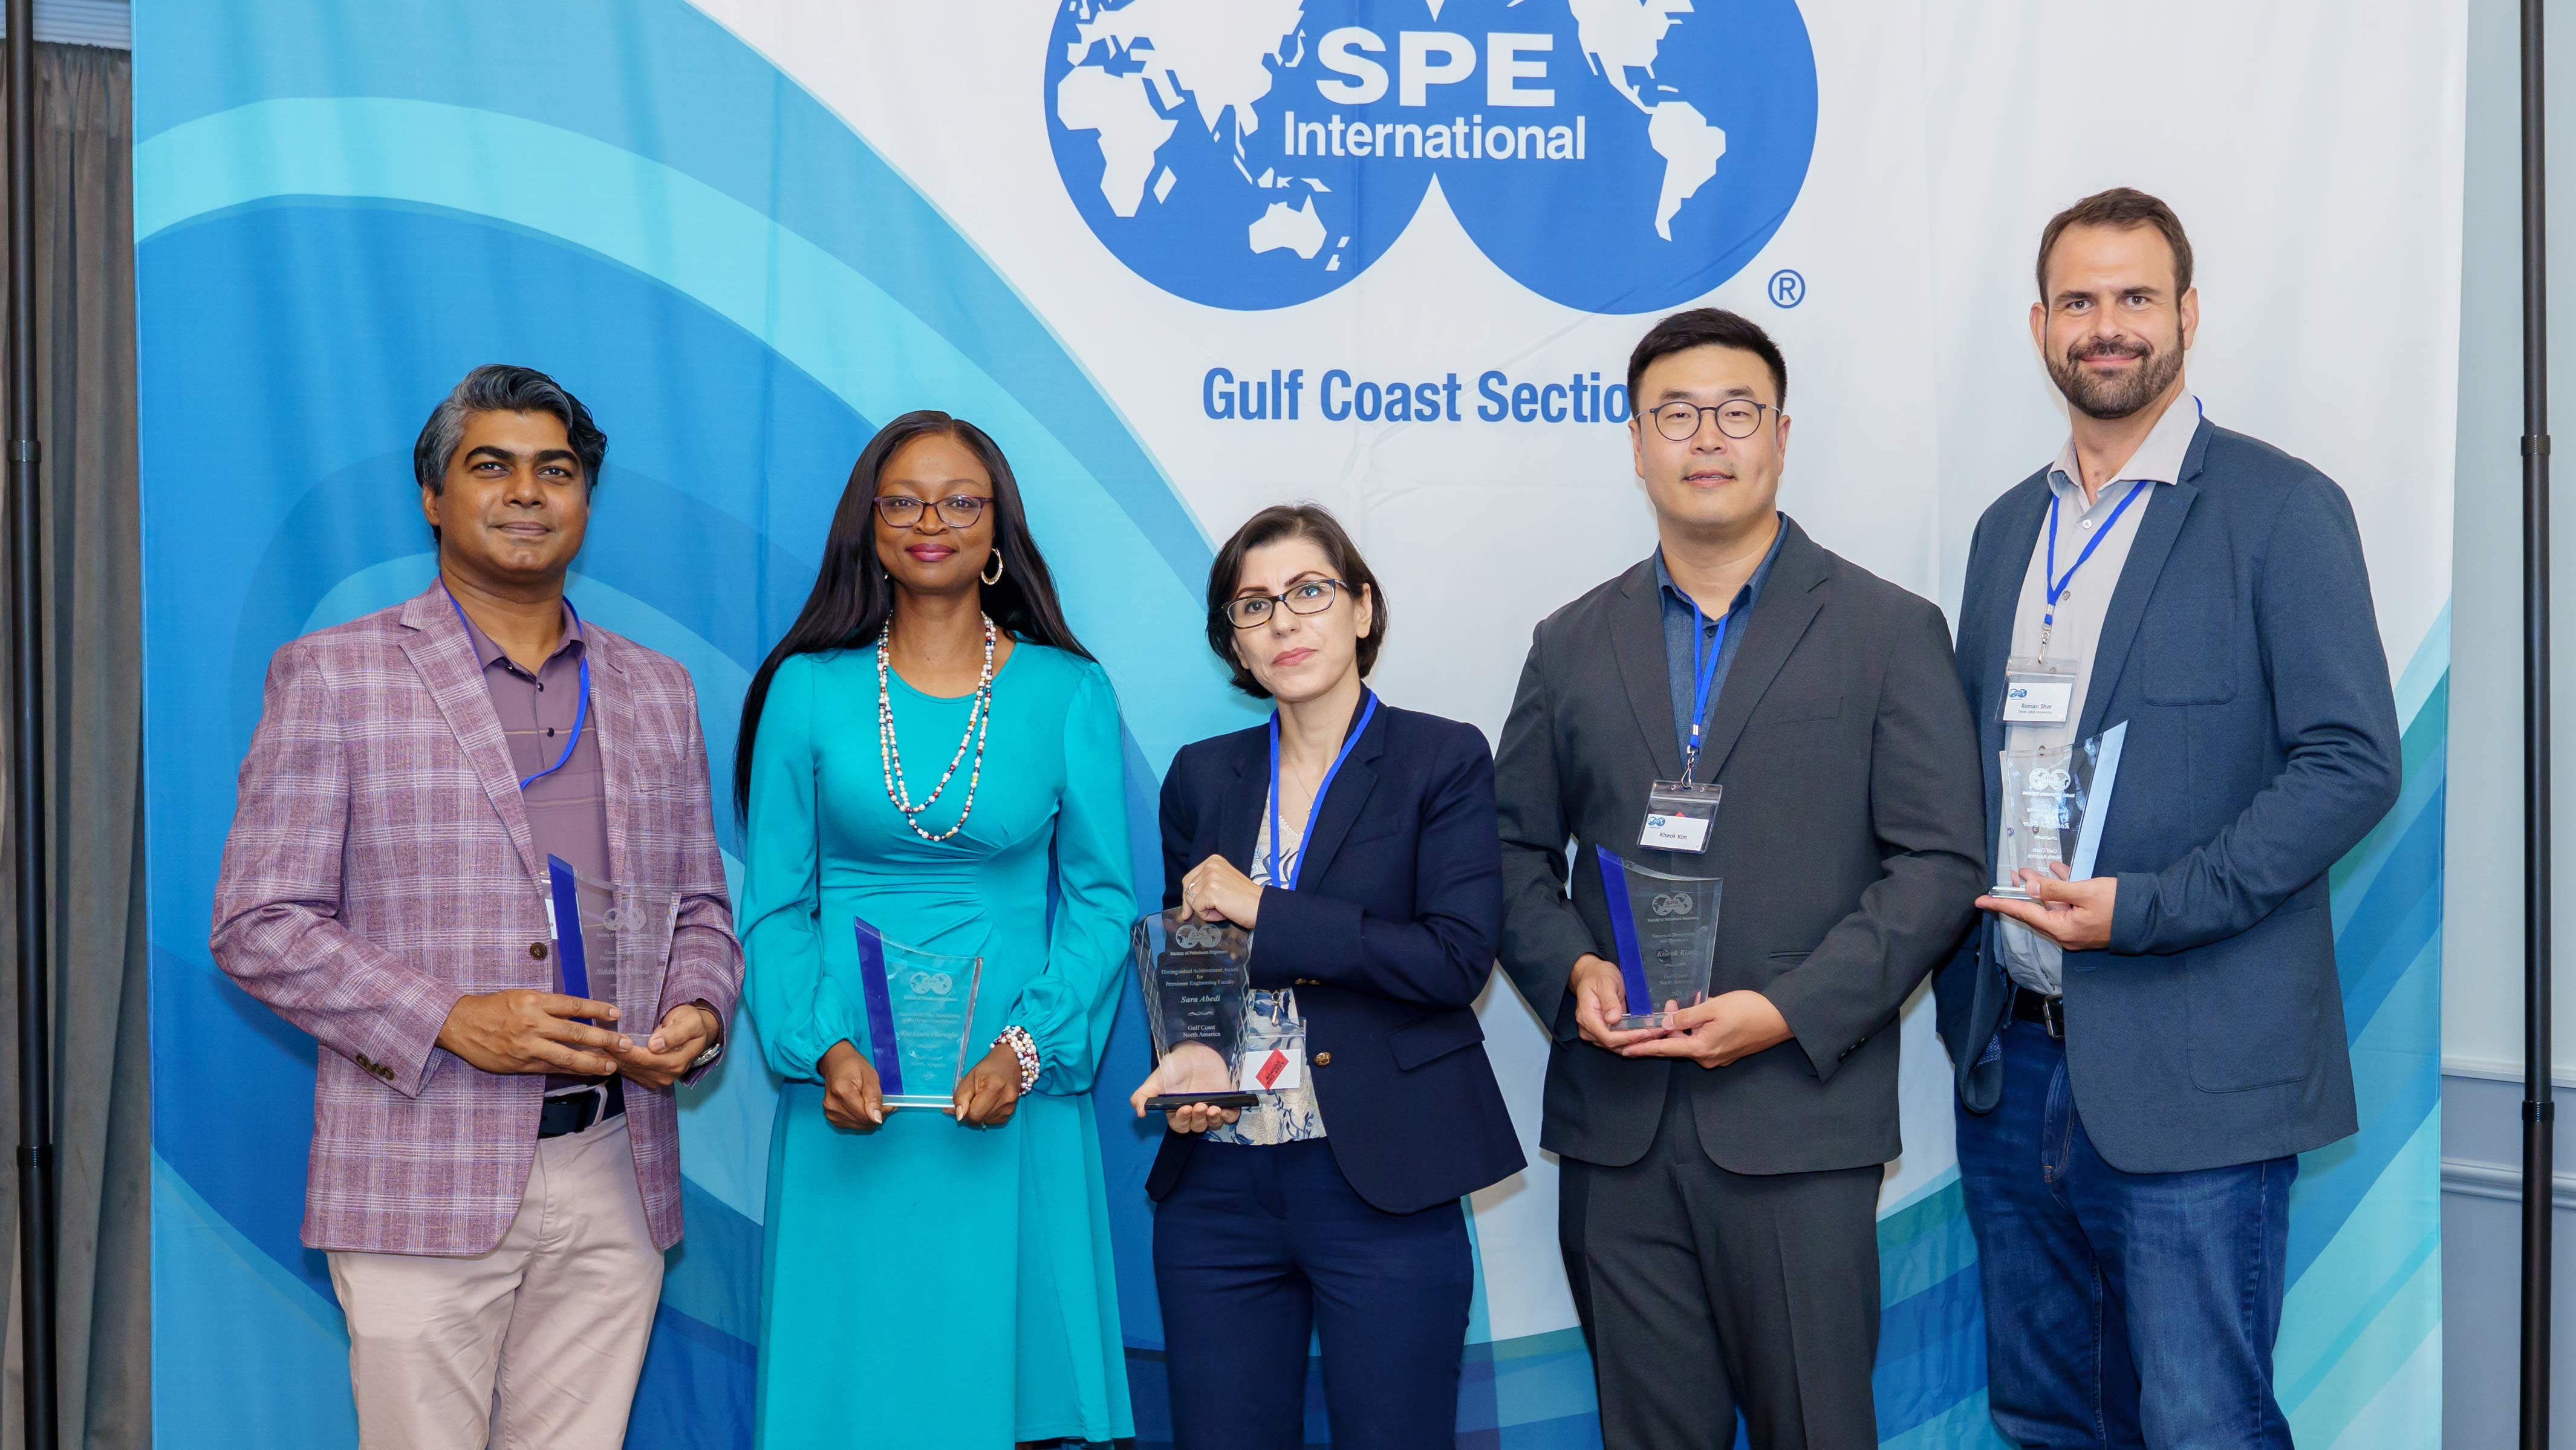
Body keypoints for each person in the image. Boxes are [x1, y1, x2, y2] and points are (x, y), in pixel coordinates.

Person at [1935, 188, 2401, 1449]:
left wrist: (2144, 910)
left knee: (2204, 1426)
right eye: (2079, 300)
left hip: (2197, 1076)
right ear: (2040, 325)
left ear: (2188, 314)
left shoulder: (2280, 508)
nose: (2108, 325)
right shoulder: (2005, 531)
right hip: (2016, 1063)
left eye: (2136, 296)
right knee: (2049, 1420)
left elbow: (2353, 762)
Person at [210, 365, 742, 1449]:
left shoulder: (657, 688)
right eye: (491, 465)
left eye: (556, 470)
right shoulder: (334, 674)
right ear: (433, 496)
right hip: (420, 1167)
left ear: (586, 499)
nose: (527, 492)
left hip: (614, 1166)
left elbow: (700, 905)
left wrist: (698, 1011)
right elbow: (260, 921)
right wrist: (452, 1018)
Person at [1494, 309, 1985, 1449]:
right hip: (1618, 1129)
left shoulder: (1887, 628)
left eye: (1735, 411)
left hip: (1796, 1124)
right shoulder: (1570, 641)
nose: (1706, 437)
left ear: (1781, 436)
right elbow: (1512, 851)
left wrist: (1790, 1010)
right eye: (1675, 414)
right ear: (1635, 443)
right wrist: (1572, 969)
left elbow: (1941, 862)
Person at [735, 410, 1136, 1449]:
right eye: (904, 501)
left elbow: (1102, 901)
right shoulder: (806, 688)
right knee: (851, 1406)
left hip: (1011, 1094)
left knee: (1007, 1397)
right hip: (848, 1098)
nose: (931, 521)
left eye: (961, 500)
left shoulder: (1068, 691)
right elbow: (774, 903)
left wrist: (1027, 1048)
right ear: (869, 527)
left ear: (997, 527)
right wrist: (820, 1044)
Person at [1130, 504, 1526, 1449]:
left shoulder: (1442, 757)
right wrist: (1190, 1057)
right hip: (1220, 1186)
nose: (1284, 621)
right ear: (1234, 640)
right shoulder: (1201, 776)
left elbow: (1454, 959)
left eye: (1309, 591)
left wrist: (1267, 907)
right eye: (1254, 604)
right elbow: (1196, 964)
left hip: (1383, 1175)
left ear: (1361, 607)